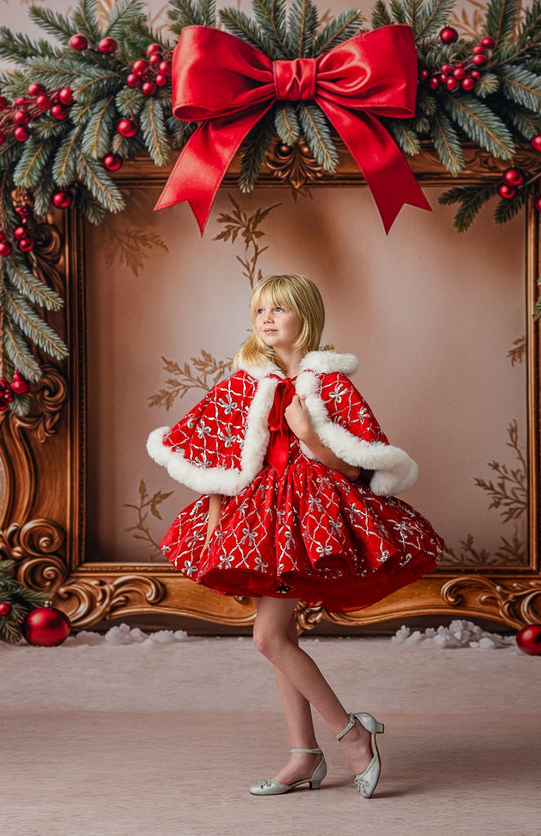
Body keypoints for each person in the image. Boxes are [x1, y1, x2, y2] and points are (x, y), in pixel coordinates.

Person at [147, 274, 443, 798]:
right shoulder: (242, 382)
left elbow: (359, 469)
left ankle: (352, 735)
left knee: (269, 637)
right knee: (279, 637)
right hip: (258, 516)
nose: (266, 318)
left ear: (305, 317)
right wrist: (217, 506)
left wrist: (310, 437)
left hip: (312, 514)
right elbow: (215, 455)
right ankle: (304, 755)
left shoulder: (330, 383)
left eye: (279, 308)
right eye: (260, 308)